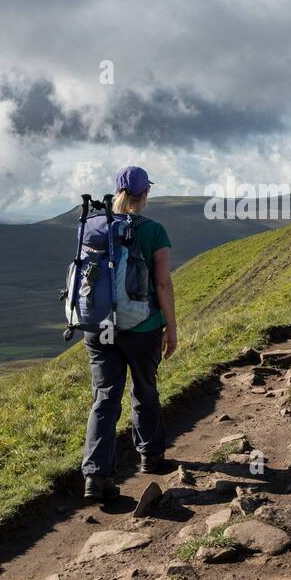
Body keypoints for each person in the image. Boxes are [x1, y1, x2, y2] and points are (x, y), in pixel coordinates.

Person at [81, 166, 179, 501]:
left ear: (118, 192)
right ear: (144, 194)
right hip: (142, 327)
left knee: (105, 399)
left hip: (98, 326)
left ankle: (95, 478)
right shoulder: (154, 230)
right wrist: (172, 327)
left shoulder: (93, 226)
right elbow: (163, 283)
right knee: (145, 388)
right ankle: (151, 458)